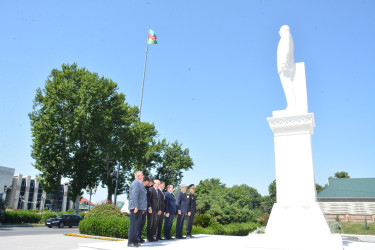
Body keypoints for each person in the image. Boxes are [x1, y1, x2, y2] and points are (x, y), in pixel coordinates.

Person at [128, 171, 147, 248]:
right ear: (138, 176)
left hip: (139, 208)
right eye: (142, 175)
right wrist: (135, 206)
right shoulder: (136, 183)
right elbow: (134, 195)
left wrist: (142, 208)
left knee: (136, 225)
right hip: (136, 208)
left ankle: (135, 241)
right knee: (133, 225)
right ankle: (130, 242)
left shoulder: (139, 183)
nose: (143, 176)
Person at [136, 176, 150, 243]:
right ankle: (136, 237)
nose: (147, 183)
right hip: (139, 208)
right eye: (147, 182)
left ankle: (139, 236)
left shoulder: (145, 188)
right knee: (138, 223)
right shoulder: (140, 187)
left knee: (142, 223)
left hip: (144, 208)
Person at [146, 177, 154, 242]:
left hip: (150, 208)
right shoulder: (147, 188)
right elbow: (148, 199)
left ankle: (150, 236)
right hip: (147, 208)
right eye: (152, 182)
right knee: (149, 223)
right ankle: (148, 237)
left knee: (151, 223)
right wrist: (149, 207)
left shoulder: (150, 188)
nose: (152, 183)